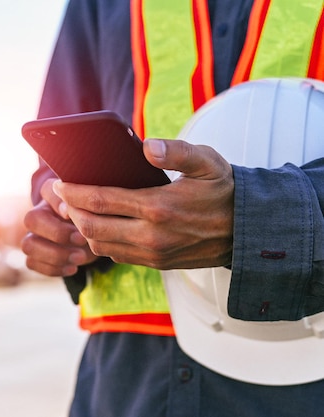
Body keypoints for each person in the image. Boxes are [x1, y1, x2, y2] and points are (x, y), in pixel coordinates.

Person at [21, 1, 324, 416]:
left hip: (304, 368)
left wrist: (258, 219)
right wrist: (61, 210)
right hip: (127, 374)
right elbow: (56, 151)